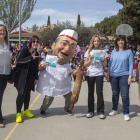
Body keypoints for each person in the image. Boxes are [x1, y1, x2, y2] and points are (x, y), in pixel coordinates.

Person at [36, 29, 79, 116]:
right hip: (50, 86)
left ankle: (67, 109)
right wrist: (42, 65)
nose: (67, 49)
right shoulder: (48, 59)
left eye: (72, 47)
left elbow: (72, 73)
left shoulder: (67, 65)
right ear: (53, 45)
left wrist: (77, 70)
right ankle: (42, 109)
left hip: (63, 87)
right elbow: (39, 66)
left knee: (69, 97)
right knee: (48, 100)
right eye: (63, 44)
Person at [14, 35, 44, 123]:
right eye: (34, 41)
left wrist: (36, 78)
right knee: (21, 94)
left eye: (37, 42)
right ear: (30, 42)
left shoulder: (37, 53)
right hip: (21, 76)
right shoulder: (24, 50)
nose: (36, 43)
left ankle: (26, 110)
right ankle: (18, 113)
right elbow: (18, 60)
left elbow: (35, 68)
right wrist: (30, 58)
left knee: (28, 93)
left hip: (30, 77)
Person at [107, 35, 133, 121]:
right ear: (116, 42)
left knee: (125, 95)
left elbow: (130, 65)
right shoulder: (114, 51)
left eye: (122, 40)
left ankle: (126, 112)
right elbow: (110, 64)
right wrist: (108, 74)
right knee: (115, 93)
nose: (120, 42)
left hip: (124, 75)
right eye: (119, 40)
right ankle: (114, 109)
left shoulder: (129, 52)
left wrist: (130, 76)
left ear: (124, 41)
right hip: (113, 75)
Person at [84, 36, 107, 119]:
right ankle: (90, 111)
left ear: (99, 42)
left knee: (99, 92)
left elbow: (105, 64)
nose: (96, 42)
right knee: (90, 93)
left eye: (97, 41)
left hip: (99, 73)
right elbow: (85, 64)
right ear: (92, 42)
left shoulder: (103, 51)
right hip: (90, 74)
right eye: (95, 41)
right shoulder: (88, 51)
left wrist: (103, 60)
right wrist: (90, 60)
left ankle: (101, 111)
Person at [0, 24, 11, 128]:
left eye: (4, 31)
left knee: (1, 95)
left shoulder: (7, 44)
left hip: (6, 73)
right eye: (0, 30)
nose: (2, 32)